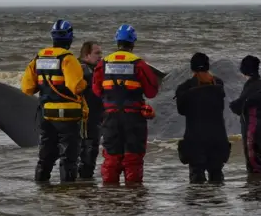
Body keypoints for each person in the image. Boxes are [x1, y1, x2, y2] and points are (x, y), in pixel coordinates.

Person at [20, 19, 87, 183]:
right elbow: (76, 87)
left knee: (45, 156)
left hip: (46, 114)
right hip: (68, 116)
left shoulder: (39, 57)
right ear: (70, 38)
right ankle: (66, 192)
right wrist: (86, 82)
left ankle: (41, 189)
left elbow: (27, 88)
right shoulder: (68, 59)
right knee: (68, 158)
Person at [92, 24, 159, 185]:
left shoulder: (103, 64)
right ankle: (133, 197)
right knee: (133, 158)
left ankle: (110, 196)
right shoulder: (139, 64)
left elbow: (96, 89)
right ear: (133, 43)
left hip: (110, 117)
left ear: (117, 42)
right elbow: (152, 91)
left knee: (111, 158)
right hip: (133, 117)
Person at [175, 52, 231, 184]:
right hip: (218, 137)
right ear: (208, 66)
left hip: (195, 138)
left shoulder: (185, 87)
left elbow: (181, 111)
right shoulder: (219, 83)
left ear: (192, 68)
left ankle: (200, 202)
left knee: (197, 177)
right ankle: (216, 203)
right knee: (217, 176)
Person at [229, 55, 261, 179]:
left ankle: (257, 189)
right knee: (256, 158)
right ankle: (257, 190)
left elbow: (238, 106)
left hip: (252, 127)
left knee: (253, 162)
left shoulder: (252, 87)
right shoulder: (259, 85)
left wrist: (230, 104)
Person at [77, 41, 104, 179]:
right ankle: (85, 179)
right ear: (87, 55)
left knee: (89, 149)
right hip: (87, 118)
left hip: (94, 116)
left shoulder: (93, 69)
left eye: (101, 53)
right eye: (97, 53)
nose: (100, 56)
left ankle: (84, 181)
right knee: (88, 149)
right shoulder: (82, 70)